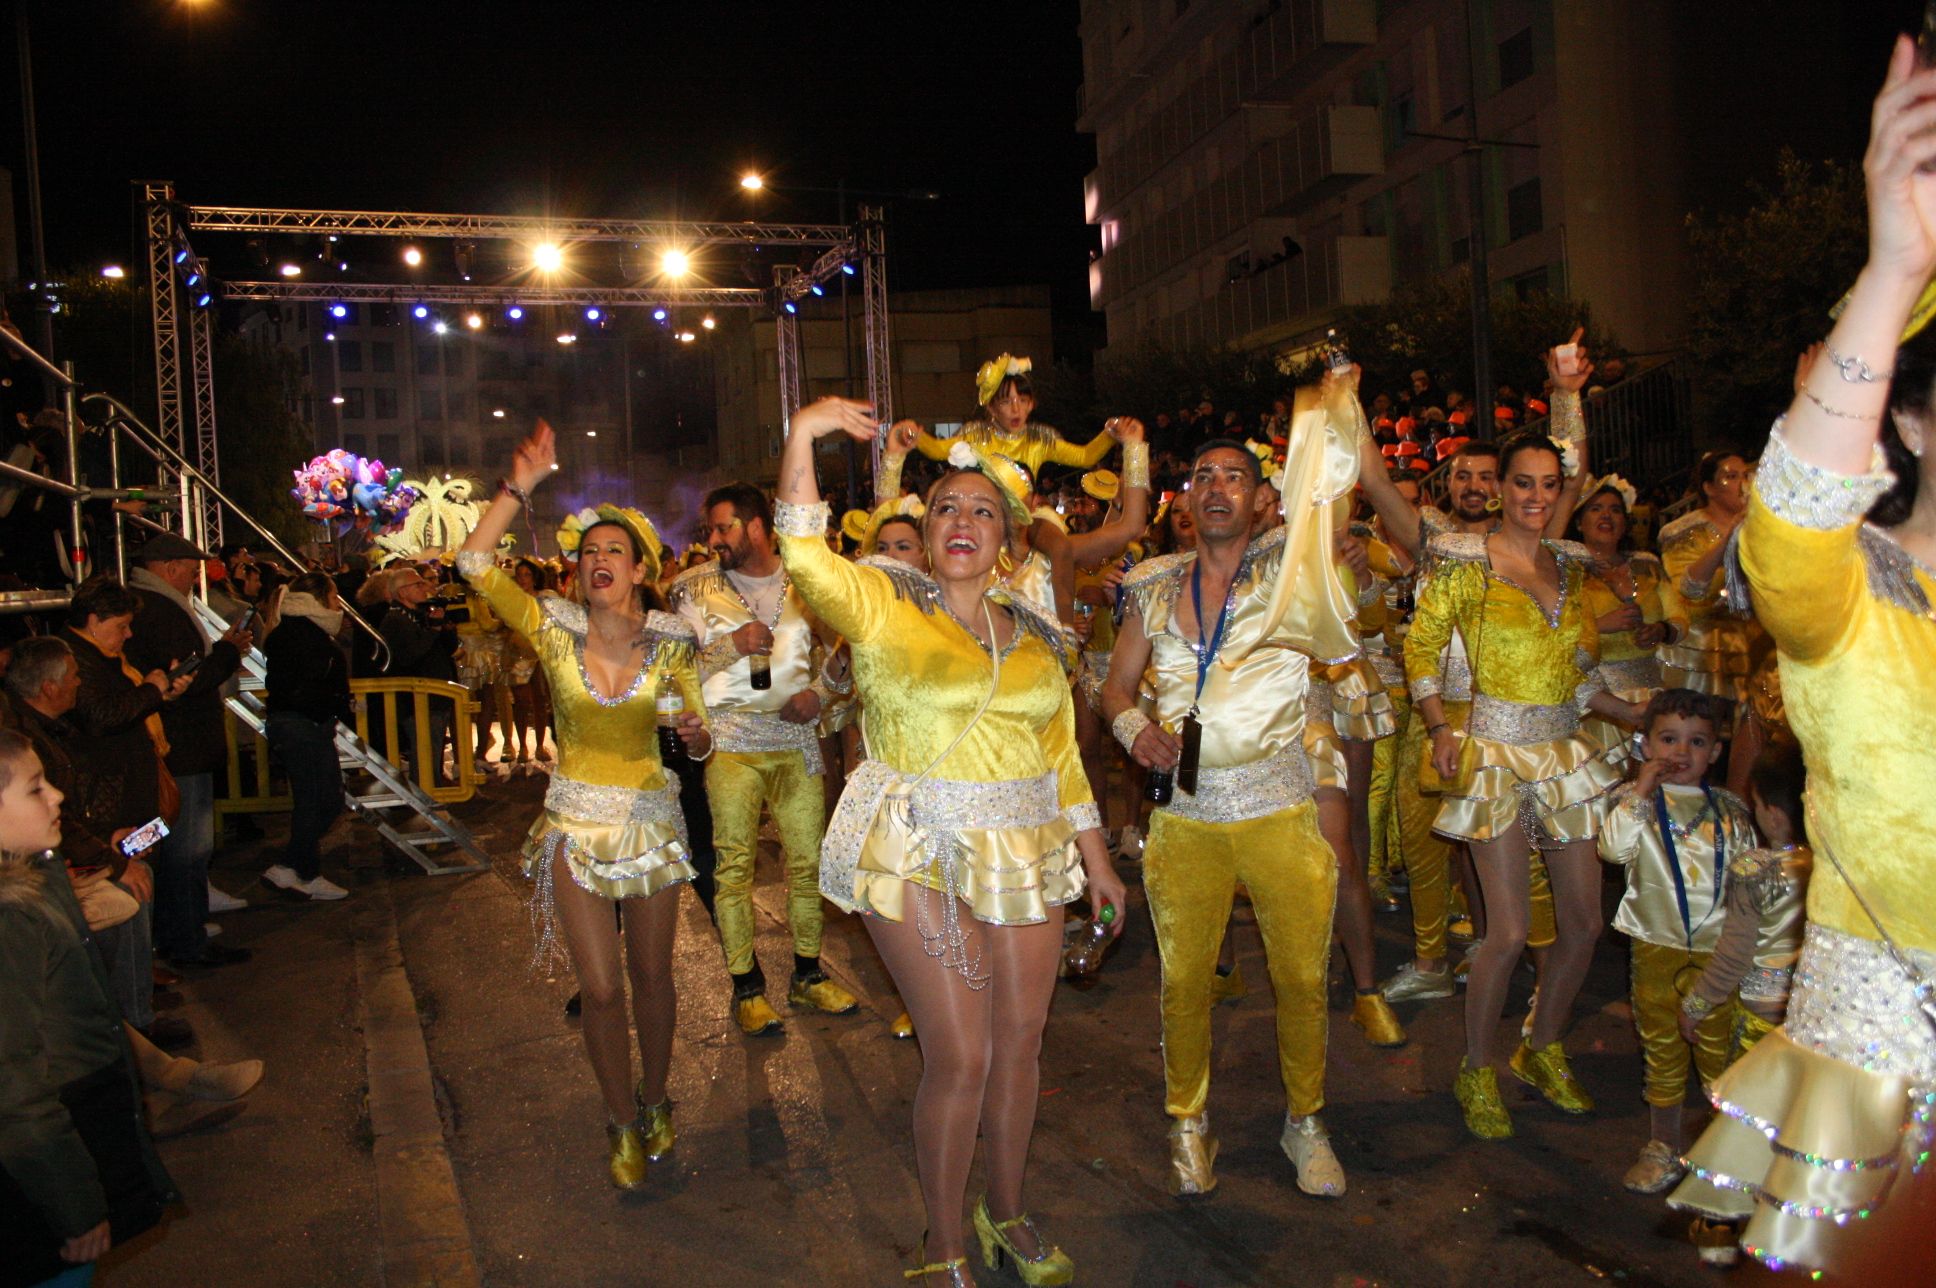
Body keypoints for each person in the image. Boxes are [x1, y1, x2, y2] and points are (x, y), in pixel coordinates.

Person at [1656, 40, 1936, 1274]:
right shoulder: (1845, 599)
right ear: (1914, 419)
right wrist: (1893, 270)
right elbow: (1794, 514)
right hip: (1892, 1061)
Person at [775, 396, 1123, 1286]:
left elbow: (1063, 763)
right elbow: (806, 557)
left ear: (1006, 536)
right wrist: (806, 431)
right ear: (921, 532)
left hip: (1024, 848)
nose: (960, 521)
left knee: (1022, 1043)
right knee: (960, 1053)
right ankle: (942, 1244)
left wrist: (1097, 860)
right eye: (943, 509)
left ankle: (1005, 1211)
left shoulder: (1039, 641)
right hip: (915, 846)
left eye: (981, 510)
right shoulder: (884, 604)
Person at [1104, 397, 1363, 1200]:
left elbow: (1336, 493)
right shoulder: (1151, 587)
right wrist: (1133, 730)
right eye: (1202, 476)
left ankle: (1306, 1121)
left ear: (1261, 498)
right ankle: (1189, 1121)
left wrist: (1336, 405)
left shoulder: (1294, 572)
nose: (1216, 486)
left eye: (1235, 476)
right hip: (1184, 817)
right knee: (1183, 982)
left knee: (1300, 977)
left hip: (1282, 808)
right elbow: (1112, 688)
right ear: (1185, 500)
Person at [459, 424, 711, 1190]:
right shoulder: (551, 626)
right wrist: (518, 488)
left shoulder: (670, 642)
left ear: (639, 569)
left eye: (614, 552)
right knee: (600, 989)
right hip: (573, 822)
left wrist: (697, 735)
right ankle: (620, 1118)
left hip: (650, 821)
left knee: (653, 978)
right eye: (587, 552)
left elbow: (695, 739)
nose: (597, 562)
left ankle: (659, 1098)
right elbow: (473, 563)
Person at [1404, 430, 1645, 1140]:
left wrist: (1633, 713)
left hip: (1563, 753)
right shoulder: (1464, 564)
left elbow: (1577, 673)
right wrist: (1440, 727)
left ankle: (1540, 1047)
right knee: (1507, 931)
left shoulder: (1568, 570)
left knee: (1583, 925)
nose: (1536, 498)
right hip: (1494, 756)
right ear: (1500, 488)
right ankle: (1477, 1067)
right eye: (1523, 484)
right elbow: (1420, 646)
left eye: (1548, 484)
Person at [669, 482, 855, 1036]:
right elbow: (673, 673)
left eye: (724, 528)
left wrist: (819, 696)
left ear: (755, 526)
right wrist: (732, 645)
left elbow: (852, 646)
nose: (714, 540)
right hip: (729, 744)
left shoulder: (807, 582)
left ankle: (807, 974)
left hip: (795, 739)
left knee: (807, 864)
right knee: (734, 868)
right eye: (710, 530)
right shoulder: (692, 589)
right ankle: (746, 987)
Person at [0, 729, 175, 1288]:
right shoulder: (8, 919)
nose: (56, 797)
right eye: (35, 790)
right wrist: (74, 1203)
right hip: (42, 1185)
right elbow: (14, 1091)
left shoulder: (33, 875)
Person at [1595, 689, 1756, 1194]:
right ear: (1645, 745)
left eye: (1697, 742)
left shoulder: (1731, 812)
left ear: (1715, 752)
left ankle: (1720, 1151)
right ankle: (1662, 1144)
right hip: (1655, 946)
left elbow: (1751, 884)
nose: (1681, 753)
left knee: (1718, 1054)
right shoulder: (1633, 804)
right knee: (1661, 1046)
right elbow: (1613, 850)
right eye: (1668, 739)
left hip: (1718, 953)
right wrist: (1640, 790)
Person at [1666, 739, 1811, 1264]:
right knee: (1798, 1124)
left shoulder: (1757, 870)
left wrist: (1698, 1004)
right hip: (1807, 1018)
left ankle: (1722, 1224)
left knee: (1744, 1118)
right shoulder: (1824, 869)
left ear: (1772, 813)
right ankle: (1788, 1223)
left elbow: (1732, 955)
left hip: (1756, 1016)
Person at [124, 534, 254, 966]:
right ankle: (185, 941)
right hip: (181, 748)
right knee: (186, 848)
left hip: (175, 746)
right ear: (169, 567)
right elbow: (187, 679)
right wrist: (227, 653)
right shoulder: (156, 610)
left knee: (180, 847)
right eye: (190, 568)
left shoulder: (152, 606)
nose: (194, 577)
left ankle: (180, 932)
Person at [1570, 477, 1687, 773]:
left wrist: (1661, 629)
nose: (1606, 516)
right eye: (1596, 509)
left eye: (1615, 510)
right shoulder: (1566, 571)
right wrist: (1599, 625)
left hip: (1651, 691)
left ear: (1625, 521)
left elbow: (1679, 618)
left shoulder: (1647, 565)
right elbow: (1553, 634)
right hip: (1598, 700)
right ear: (1580, 522)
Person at [259, 573, 353, 901]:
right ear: (319, 599)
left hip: (302, 723)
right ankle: (290, 866)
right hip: (304, 725)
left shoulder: (296, 630)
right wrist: (325, 709)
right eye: (334, 595)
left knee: (314, 802)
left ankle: (304, 871)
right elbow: (310, 683)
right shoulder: (305, 633)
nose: (338, 603)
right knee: (322, 801)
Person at [907, 353, 1119, 475]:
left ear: (1031, 405)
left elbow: (1084, 457)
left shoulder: (1040, 440)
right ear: (992, 408)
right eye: (1007, 402)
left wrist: (1110, 434)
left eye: (1023, 401)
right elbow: (937, 450)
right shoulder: (976, 436)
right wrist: (915, 435)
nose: (1016, 409)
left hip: (1024, 533)